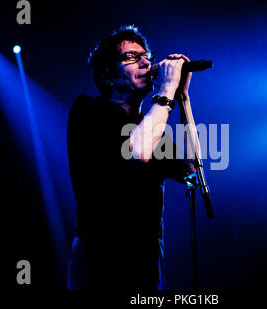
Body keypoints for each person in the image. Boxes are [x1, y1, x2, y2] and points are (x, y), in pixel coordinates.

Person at [66, 25, 199, 290]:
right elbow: (137, 152)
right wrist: (165, 93)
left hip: (147, 264)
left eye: (146, 55)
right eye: (131, 57)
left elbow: (193, 167)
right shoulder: (89, 110)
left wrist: (183, 97)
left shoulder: (151, 127)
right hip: (100, 264)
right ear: (108, 75)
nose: (145, 62)